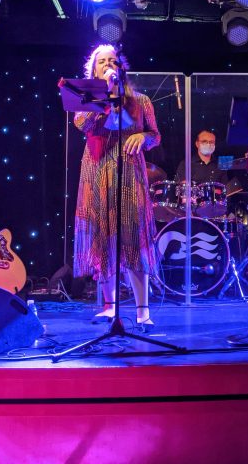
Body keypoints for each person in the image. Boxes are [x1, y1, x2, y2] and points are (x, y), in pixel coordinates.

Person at [72, 45, 161, 330]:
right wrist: (106, 97)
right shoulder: (86, 101)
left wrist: (144, 139)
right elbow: (84, 125)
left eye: (113, 61)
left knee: (134, 238)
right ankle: (110, 307)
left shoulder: (141, 101)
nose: (109, 65)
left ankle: (142, 311)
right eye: (103, 62)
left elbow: (155, 135)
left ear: (122, 69)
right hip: (97, 172)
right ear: (94, 71)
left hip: (129, 173)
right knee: (102, 235)